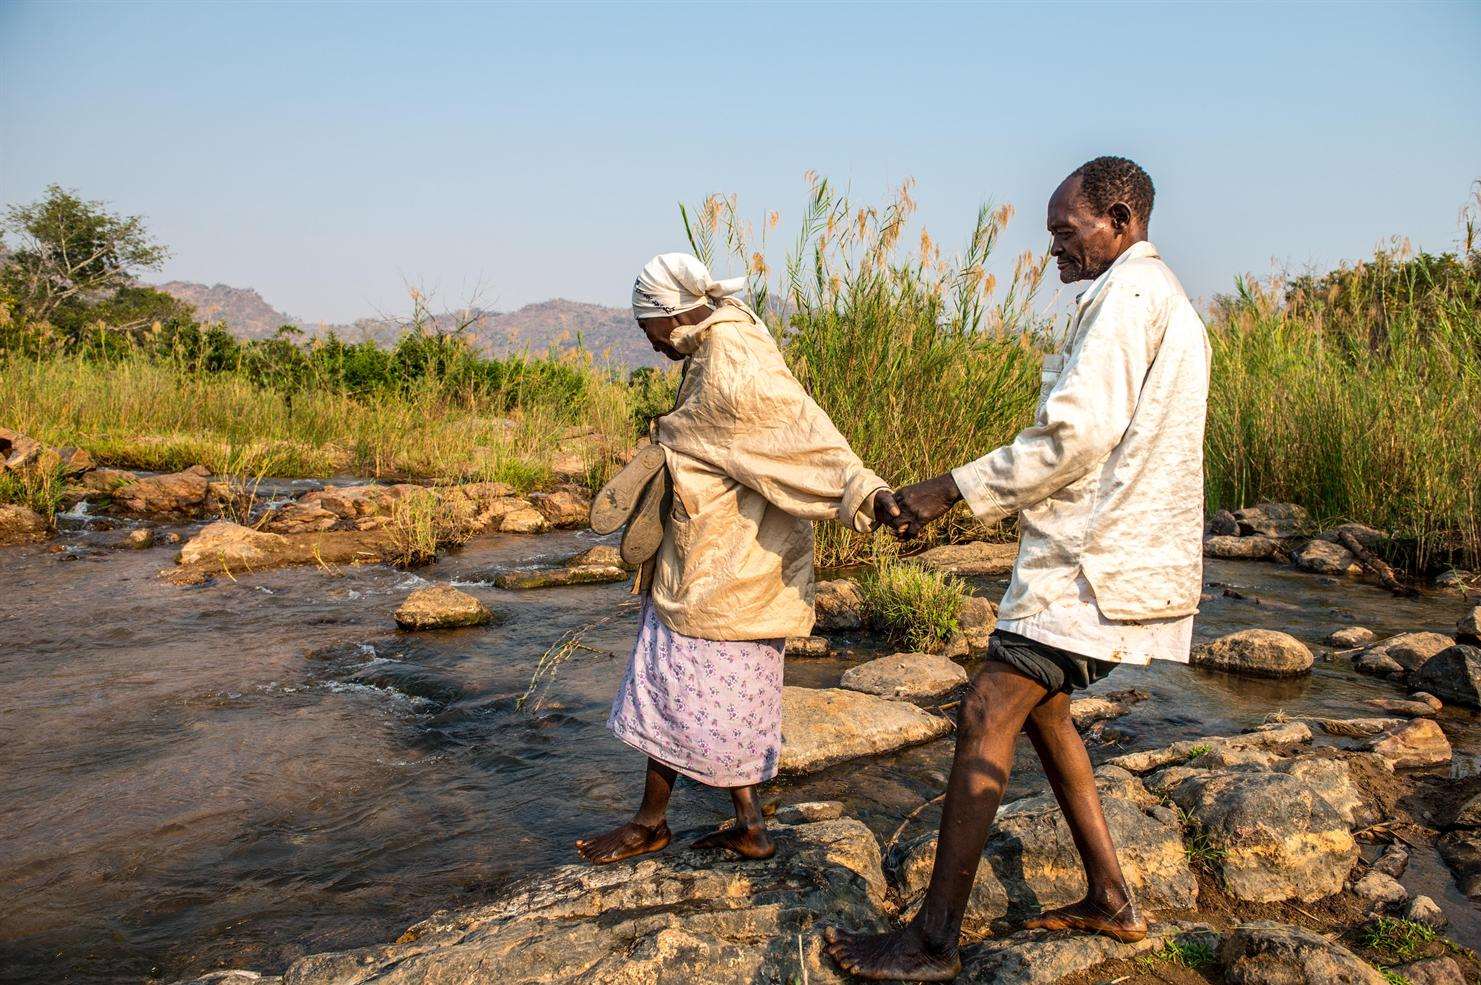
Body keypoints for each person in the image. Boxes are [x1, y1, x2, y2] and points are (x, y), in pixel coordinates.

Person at [825, 156, 1211, 981]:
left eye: (1064, 233)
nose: (1053, 251)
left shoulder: (1128, 302)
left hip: (1094, 567)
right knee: (1044, 713)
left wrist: (944, 491)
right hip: (1109, 559)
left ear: (1118, 218)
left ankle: (930, 941)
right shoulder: (1154, 299)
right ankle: (1111, 896)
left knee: (985, 707)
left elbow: (1072, 441)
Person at [576, 252, 906, 865]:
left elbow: (801, 435)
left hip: (722, 570)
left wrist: (863, 491)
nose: (648, 342)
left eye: (644, 325)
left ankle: (652, 824)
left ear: (668, 314)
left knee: (676, 689)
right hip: (728, 563)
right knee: (726, 700)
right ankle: (747, 823)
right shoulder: (719, 343)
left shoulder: (732, 361)